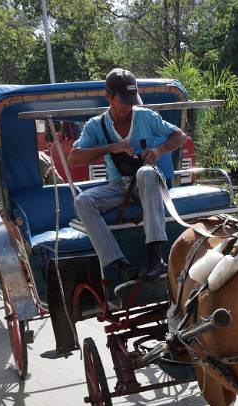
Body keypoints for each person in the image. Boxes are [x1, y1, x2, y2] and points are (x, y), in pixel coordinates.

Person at [69, 68, 187, 283]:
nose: (128, 106)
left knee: (145, 172)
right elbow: (74, 158)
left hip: (149, 183)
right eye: (123, 101)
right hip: (119, 186)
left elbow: (179, 135)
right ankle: (120, 265)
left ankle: (155, 258)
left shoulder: (146, 117)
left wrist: (158, 150)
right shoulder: (95, 126)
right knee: (83, 201)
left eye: (131, 100)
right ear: (108, 96)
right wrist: (110, 148)